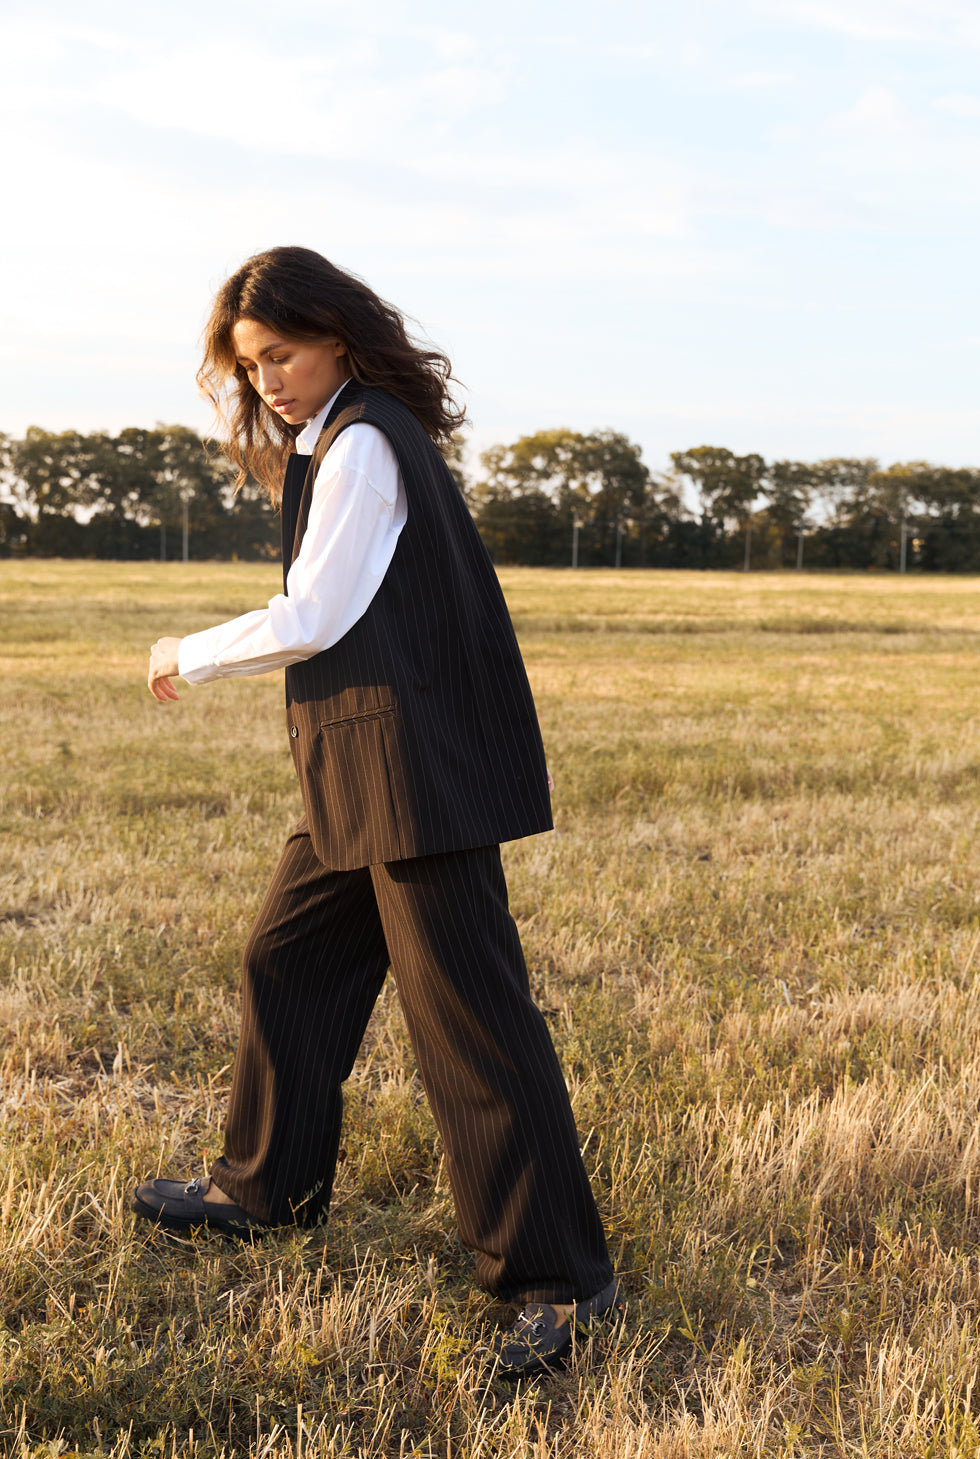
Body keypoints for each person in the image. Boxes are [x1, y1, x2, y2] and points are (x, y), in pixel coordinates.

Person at [137, 246, 619, 1377]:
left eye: (283, 355)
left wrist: (182, 656)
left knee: (470, 1028)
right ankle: (267, 1189)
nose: (269, 382)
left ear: (337, 338)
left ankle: (559, 1281)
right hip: (361, 769)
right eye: (250, 367)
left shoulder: (360, 445)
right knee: (287, 959)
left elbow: (316, 612)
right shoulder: (343, 438)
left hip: (408, 776)